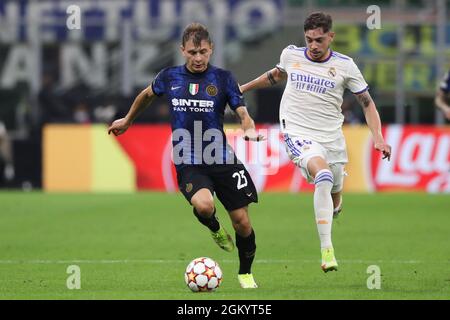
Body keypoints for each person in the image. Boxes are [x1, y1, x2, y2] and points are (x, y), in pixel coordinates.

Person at [108, 23, 264, 289]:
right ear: (183, 51)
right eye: (192, 52)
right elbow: (146, 95)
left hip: (222, 159)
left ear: (211, 49)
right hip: (188, 159)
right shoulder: (169, 77)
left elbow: (242, 111)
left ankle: (245, 273)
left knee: (242, 223)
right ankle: (214, 227)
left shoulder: (223, 78)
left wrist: (248, 129)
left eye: (203, 51)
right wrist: (128, 120)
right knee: (203, 206)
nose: (198, 58)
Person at [240, 12, 391, 272]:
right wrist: (240, 89)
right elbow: (275, 75)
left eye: (319, 40)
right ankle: (327, 251)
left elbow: (367, 103)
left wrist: (378, 137)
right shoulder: (292, 56)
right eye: (309, 39)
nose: (313, 45)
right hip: (297, 132)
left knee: (334, 187)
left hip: (331, 137)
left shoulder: (345, 66)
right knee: (322, 174)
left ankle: (336, 202)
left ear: (331, 37)